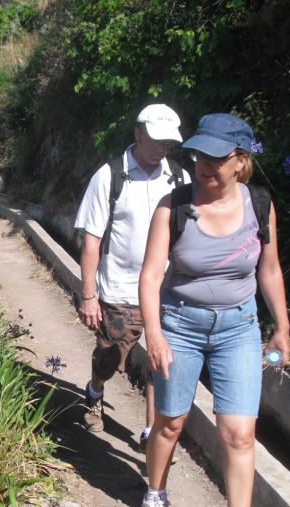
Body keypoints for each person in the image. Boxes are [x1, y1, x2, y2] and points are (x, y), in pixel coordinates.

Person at [137, 113, 290, 507]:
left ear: (240, 160)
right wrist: (156, 335)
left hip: (239, 329)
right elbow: (150, 276)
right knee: (170, 423)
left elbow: (269, 270)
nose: (205, 165)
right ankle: (154, 496)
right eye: (200, 154)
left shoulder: (260, 205)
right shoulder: (174, 206)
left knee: (240, 433)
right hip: (180, 324)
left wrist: (281, 326)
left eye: (217, 157)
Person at [74, 104, 191, 447]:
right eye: (156, 139)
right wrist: (88, 295)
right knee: (111, 359)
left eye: (168, 141)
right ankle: (96, 389)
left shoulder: (179, 179)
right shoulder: (110, 176)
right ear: (137, 134)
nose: (162, 147)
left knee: (160, 364)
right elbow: (92, 240)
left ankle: (151, 432)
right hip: (120, 292)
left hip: (165, 291)